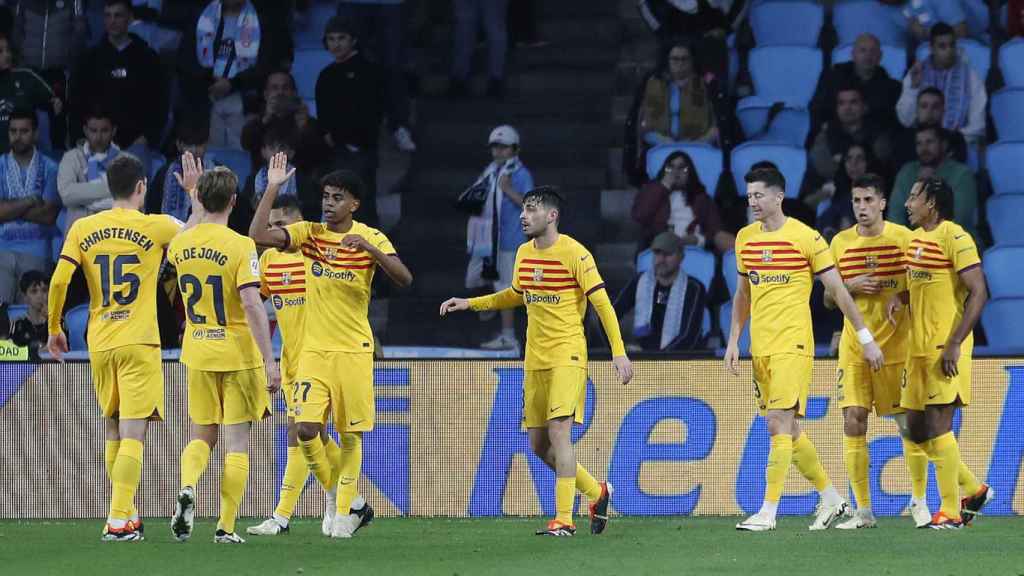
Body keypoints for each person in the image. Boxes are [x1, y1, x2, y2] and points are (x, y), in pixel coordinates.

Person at [440, 185, 633, 537]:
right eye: (523, 210)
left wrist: (618, 351)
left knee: (560, 433)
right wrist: (471, 303)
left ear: (552, 215)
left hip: (567, 355)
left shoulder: (575, 253)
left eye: (531, 209)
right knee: (538, 446)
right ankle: (597, 492)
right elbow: (517, 294)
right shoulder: (524, 253)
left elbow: (602, 304)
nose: (523, 215)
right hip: (535, 359)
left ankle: (564, 519)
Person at [249, 152, 413, 538]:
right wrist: (273, 187)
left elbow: (404, 278)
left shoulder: (372, 237)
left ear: (354, 203)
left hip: (354, 350)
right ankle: (350, 503)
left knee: (350, 434)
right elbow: (257, 236)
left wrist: (369, 251)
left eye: (337, 197)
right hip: (313, 353)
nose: (328, 203)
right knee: (305, 429)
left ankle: (343, 514)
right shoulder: (309, 235)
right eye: (325, 196)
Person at [724, 167, 884, 532]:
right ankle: (832, 498)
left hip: (793, 344)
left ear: (778, 197)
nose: (753, 202)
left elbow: (840, 292)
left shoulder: (807, 238)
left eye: (759, 195)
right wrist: (735, 340)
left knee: (777, 423)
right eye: (749, 196)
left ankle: (767, 512)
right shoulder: (745, 238)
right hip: (759, 347)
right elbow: (742, 295)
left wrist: (864, 337)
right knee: (790, 429)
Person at [46, 152, 192, 541]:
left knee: (112, 428)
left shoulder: (82, 227)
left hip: (101, 341)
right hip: (139, 340)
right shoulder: (158, 226)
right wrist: (193, 194)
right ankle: (115, 520)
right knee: (133, 433)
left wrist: (54, 326)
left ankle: (127, 515)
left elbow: (60, 280)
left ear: (110, 187)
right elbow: (200, 238)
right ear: (142, 187)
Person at [168, 157, 281, 544]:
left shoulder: (181, 244)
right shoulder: (241, 245)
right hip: (236, 353)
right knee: (236, 443)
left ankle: (187, 487)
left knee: (201, 435)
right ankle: (225, 527)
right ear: (235, 200)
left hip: (197, 350)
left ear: (200, 197)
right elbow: (251, 303)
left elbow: (189, 230)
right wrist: (270, 360)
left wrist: (192, 197)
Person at [246, 193, 373, 537]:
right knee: (304, 434)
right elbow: (253, 304)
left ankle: (288, 514)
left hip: (327, 355)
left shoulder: (316, 255)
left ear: (298, 225)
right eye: (271, 227)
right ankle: (346, 502)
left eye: (282, 225)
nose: (275, 233)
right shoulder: (271, 261)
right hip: (292, 359)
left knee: (305, 433)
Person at [821, 174, 928, 529]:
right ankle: (863, 511)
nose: (862, 208)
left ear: (882, 203)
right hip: (854, 348)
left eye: (869, 200)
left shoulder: (904, 239)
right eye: (856, 201)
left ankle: (918, 502)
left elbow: (929, 288)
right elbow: (825, 298)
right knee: (853, 419)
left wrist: (903, 295)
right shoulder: (839, 243)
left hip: (897, 348)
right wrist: (848, 286)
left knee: (907, 425)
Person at [886, 177, 992, 529]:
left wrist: (954, 342)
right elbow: (921, 287)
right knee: (915, 431)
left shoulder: (956, 237)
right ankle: (974, 490)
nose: (907, 202)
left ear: (932, 204)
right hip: (915, 348)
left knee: (938, 425)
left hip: (944, 346)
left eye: (914, 197)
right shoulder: (915, 240)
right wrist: (898, 298)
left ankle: (950, 512)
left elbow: (979, 292)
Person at [72, 0, 166, 171]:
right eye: (107, 16)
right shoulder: (90, 59)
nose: (112, 21)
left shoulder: (147, 57)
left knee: (135, 196)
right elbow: (77, 101)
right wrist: (84, 136)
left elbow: (159, 102)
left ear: (130, 18)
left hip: (136, 144)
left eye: (118, 15)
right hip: (96, 143)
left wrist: (147, 137)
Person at [465, 125, 534, 350]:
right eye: (495, 147)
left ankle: (509, 337)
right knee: (474, 279)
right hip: (486, 241)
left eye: (503, 148)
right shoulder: (490, 172)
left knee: (505, 287)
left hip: (509, 241)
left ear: (514, 149)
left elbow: (532, 206)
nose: (498, 152)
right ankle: (490, 307)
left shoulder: (521, 174)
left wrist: (508, 190)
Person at [0, 109, 60, 305]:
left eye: (24, 131)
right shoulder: (0, 165)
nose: (18, 137)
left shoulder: (51, 167)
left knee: (34, 317)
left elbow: (48, 215)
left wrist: (10, 207)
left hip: (37, 251)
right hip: (2, 251)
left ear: (35, 133)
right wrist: (30, 200)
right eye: (13, 131)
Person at [614, 230, 707, 351]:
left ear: (681, 257)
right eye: (657, 253)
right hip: (643, 357)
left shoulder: (694, 288)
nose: (661, 259)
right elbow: (611, 315)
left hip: (679, 360)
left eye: (668, 254)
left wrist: (660, 359)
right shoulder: (640, 281)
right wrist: (617, 348)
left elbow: (689, 336)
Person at [896, 23, 986, 145]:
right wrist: (914, 88)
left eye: (952, 45)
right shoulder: (917, 73)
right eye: (942, 46)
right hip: (921, 145)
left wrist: (950, 141)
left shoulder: (971, 77)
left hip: (956, 146)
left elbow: (978, 125)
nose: (949, 51)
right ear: (931, 48)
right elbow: (905, 120)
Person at [631, 149, 733, 253]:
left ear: (690, 172)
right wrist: (664, 186)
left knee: (725, 238)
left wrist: (698, 239)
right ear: (663, 171)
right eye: (670, 167)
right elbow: (640, 215)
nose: (676, 172)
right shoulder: (652, 191)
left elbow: (715, 230)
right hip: (662, 247)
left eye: (682, 168)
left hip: (694, 247)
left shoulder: (701, 197)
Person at [887, 125, 977, 241]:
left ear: (943, 145)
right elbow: (895, 217)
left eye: (929, 142)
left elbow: (959, 220)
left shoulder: (962, 174)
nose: (924, 148)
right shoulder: (907, 172)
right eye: (919, 143)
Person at [811, 34, 901, 133]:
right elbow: (818, 110)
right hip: (834, 135)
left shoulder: (890, 88)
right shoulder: (832, 78)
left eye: (873, 51)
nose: (868, 55)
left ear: (880, 56)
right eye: (863, 50)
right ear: (853, 54)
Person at [639, 41, 718, 146]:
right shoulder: (654, 83)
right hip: (661, 146)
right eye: (675, 59)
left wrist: (698, 144)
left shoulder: (705, 83)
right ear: (667, 60)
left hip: (698, 147)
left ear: (692, 60)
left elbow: (716, 126)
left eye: (684, 59)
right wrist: (664, 142)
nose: (680, 63)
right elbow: (645, 127)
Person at [0, 31, 61, 154]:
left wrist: (56, 103)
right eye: (0, 52)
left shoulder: (26, 76)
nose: (7, 55)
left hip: (23, 155)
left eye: (8, 50)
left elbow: (54, 103)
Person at [57, 109, 119, 229]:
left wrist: (84, 196)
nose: (99, 137)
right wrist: (113, 188)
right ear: (85, 130)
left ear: (113, 131)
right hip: (79, 236)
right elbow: (66, 195)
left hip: (116, 235)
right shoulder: (71, 158)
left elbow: (134, 199)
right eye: (93, 131)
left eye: (104, 131)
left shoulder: (128, 161)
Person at [891, 87, 967, 169]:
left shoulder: (955, 139)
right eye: (924, 106)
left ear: (943, 111)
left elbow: (956, 172)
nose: (929, 111)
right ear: (917, 111)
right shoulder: (903, 140)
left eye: (935, 107)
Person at [9, 269, 49, 359]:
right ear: (25, 297)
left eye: (44, 290)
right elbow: (14, 355)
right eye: (34, 291)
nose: (40, 295)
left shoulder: (57, 323)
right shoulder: (17, 326)